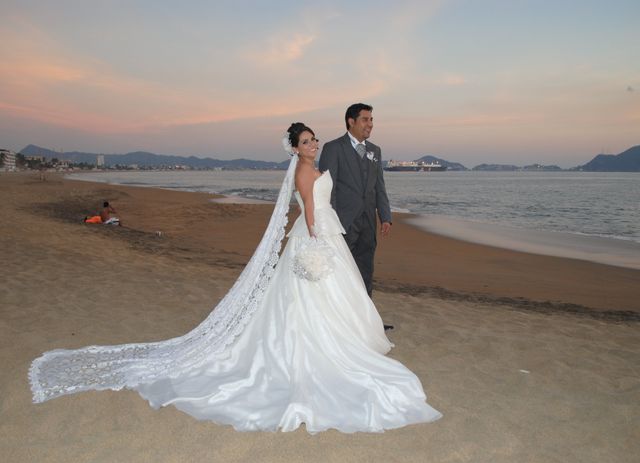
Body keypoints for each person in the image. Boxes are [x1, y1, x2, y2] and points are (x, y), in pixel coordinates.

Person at [29, 123, 441, 433]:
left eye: (314, 140)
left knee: (337, 294)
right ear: (296, 149)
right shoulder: (303, 172)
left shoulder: (317, 166)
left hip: (330, 232)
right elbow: (310, 214)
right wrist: (317, 244)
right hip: (318, 237)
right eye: (307, 142)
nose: (313, 145)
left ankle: (349, 336)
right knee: (310, 298)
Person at [319, 103, 393, 329]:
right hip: (342, 222)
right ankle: (338, 321)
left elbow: (379, 186)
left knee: (365, 270)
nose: (370, 124)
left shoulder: (375, 150)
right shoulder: (334, 148)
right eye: (365, 119)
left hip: (368, 222)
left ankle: (366, 324)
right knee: (339, 271)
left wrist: (385, 216)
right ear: (351, 121)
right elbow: (326, 188)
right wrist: (328, 221)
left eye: (371, 120)